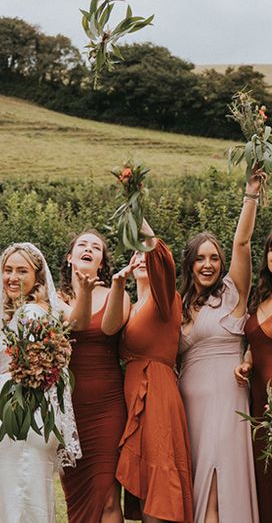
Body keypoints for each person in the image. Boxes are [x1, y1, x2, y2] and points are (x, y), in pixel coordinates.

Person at [177, 173, 262, 523]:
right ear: (190, 264)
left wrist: (251, 195)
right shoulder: (178, 305)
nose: (208, 264)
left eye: (214, 258)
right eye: (200, 258)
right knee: (197, 479)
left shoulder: (232, 293)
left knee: (219, 487)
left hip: (228, 398)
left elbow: (242, 243)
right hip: (188, 407)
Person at [0, 242, 81, 522]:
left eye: (21, 270)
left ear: (37, 277)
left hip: (23, 421)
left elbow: (37, 373)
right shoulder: (28, 312)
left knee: (18, 501)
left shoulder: (32, 314)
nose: (12, 277)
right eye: (7, 270)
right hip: (23, 420)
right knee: (20, 497)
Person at [103, 220, 193, 523]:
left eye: (145, 254)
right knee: (144, 491)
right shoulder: (131, 306)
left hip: (157, 394)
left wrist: (134, 206)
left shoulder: (166, 298)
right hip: (133, 399)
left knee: (159, 485)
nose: (142, 258)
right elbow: (107, 328)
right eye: (135, 255)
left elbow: (161, 258)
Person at [59, 230, 127, 522]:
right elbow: (74, 322)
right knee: (77, 499)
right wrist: (82, 293)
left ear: (101, 262)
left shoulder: (117, 294)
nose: (89, 249)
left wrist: (117, 286)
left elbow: (110, 328)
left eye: (96, 247)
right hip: (67, 411)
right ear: (70, 258)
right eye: (82, 245)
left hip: (107, 408)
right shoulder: (53, 297)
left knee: (108, 495)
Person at [235, 230, 272, 521]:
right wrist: (246, 362)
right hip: (259, 404)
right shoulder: (261, 297)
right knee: (264, 481)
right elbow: (255, 345)